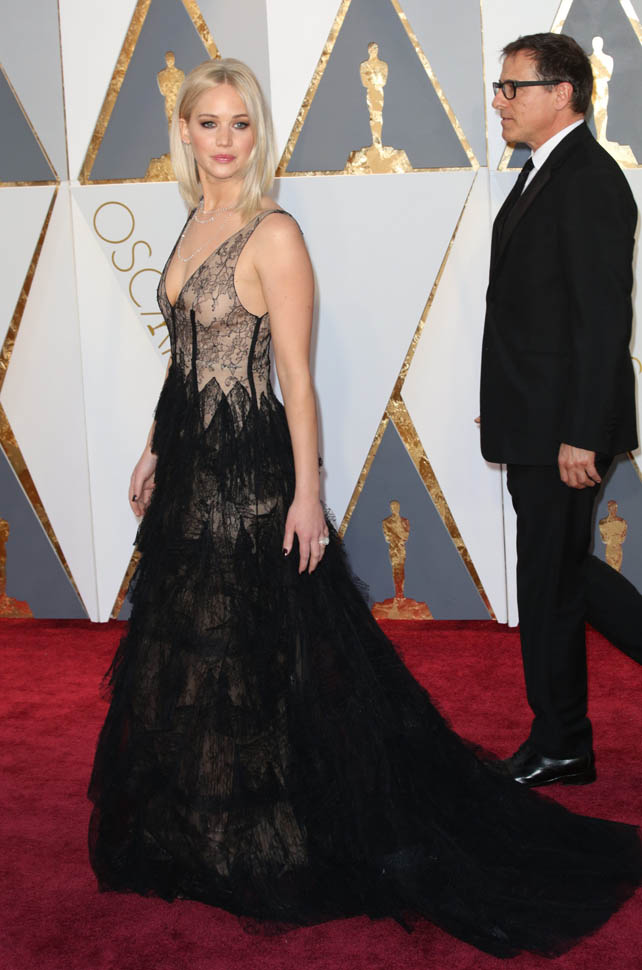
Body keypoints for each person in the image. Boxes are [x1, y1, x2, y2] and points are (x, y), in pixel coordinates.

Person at [88, 57, 641, 958]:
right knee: (192, 649)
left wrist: (308, 494)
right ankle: (204, 825)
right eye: (208, 124)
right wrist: (155, 444)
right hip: (189, 468)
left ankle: (267, 826)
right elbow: (185, 357)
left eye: (239, 124)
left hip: (252, 473)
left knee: (255, 648)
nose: (224, 141)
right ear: (183, 132)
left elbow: (297, 380)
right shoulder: (192, 220)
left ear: (257, 134)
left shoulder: (273, 234)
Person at [480, 32, 642, 790]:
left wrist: (581, 431)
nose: (500, 101)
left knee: (549, 583)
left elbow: (602, 324)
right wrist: (507, 404)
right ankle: (563, 739)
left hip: (565, 433)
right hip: (537, 420)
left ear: (563, 93)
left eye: (513, 87)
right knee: (562, 571)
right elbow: (532, 313)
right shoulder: (545, 171)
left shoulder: (589, 181)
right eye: (500, 86)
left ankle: (562, 742)